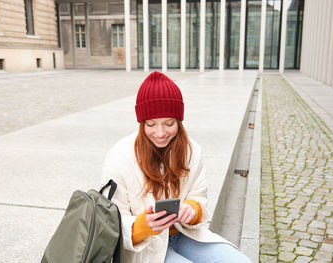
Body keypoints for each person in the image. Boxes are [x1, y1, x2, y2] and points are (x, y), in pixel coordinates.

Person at [101, 71, 252, 263]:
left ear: (179, 121)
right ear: (141, 123)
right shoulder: (119, 157)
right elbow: (110, 222)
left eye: (169, 123)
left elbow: (199, 196)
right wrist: (143, 225)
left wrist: (193, 208)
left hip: (184, 233)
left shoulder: (192, 150)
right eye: (151, 124)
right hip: (144, 246)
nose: (160, 132)